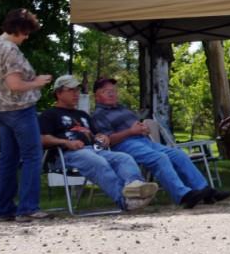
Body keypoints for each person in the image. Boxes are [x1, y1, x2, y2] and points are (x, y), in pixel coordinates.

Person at [91, 78, 230, 208]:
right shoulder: (99, 115)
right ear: (96, 96)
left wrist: (143, 129)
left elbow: (135, 126)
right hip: (124, 145)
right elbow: (108, 141)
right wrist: (131, 132)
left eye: (114, 91)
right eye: (107, 91)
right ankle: (183, 196)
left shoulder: (122, 108)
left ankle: (205, 192)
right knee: (159, 158)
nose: (112, 94)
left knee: (178, 154)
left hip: (143, 140)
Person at [39, 75, 159, 211]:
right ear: (59, 93)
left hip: (93, 150)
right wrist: (66, 142)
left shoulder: (82, 115)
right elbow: (42, 139)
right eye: (71, 90)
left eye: (77, 90)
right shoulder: (49, 115)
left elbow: (96, 135)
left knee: (123, 158)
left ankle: (136, 188)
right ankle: (126, 201)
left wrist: (103, 138)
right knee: (97, 161)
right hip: (67, 155)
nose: (76, 94)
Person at [0, 9, 52, 222]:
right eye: (25, 32)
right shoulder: (11, 50)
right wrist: (37, 82)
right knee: (32, 156)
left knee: (8, 160)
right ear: (18, 30)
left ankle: (4, 209)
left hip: (0, 109)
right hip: (19, 110)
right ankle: (28, 207)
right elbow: (14, 85)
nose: (26, 37)